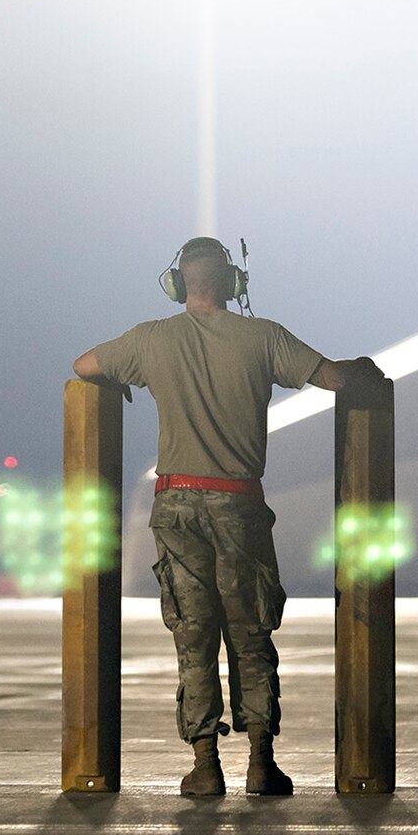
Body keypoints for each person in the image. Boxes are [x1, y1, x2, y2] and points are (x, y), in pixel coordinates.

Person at [72, 236, 385, 796]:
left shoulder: (151, 339)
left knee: (193, 636)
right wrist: (362, 368)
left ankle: (205, 765)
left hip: (176, 505)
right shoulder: (261, 335)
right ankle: (262, 765)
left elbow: (84, 364)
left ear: (178, 284)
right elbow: (335, 378)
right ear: (233, 281)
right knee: (251, 633)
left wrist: (119, 379)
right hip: (238, 503)